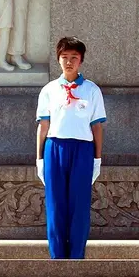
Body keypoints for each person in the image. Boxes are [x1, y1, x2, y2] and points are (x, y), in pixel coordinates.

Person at [35, 37, 105, 259]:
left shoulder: (91, 90)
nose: (69, 62)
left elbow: (97, 128)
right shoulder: (49, 90)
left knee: (79, 205)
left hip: (82, 149)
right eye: (64, 57)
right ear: (58, 59)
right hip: (55, 147)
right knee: (56, 204)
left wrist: (97, 159)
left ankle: (76, 256)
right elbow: (43, 126)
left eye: (74, 57)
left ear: (81, 61)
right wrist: (39, 159)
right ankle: (57, 256)